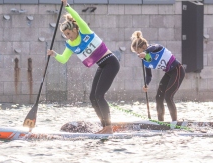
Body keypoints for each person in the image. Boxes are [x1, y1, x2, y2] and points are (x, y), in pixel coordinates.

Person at [47, 0, 120, 134]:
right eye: (65, 35)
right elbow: (63, 59)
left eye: (69, 33)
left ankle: (108, 128)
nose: (68, 37)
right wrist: (54, 54)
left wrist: (67, 6)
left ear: (75, 29)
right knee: (93, 97)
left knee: (99, 95)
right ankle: (104, 126)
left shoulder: (84, 31)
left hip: (111, 62)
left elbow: (78, 18)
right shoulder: (70, 44)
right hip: (102, 65)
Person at [130, 31, 185, 121]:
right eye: (136, 53)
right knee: (159, 97)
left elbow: (153, 47)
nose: (138, 54)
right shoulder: (145, 60)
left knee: (168, 96)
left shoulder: (155, 48)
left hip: (177, 70)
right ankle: (160, 122)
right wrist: (146, 84)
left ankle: (175, 122)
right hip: (169, 73)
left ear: (143, 47)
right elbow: (149, 75)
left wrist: (146, 52)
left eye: (138, 51)